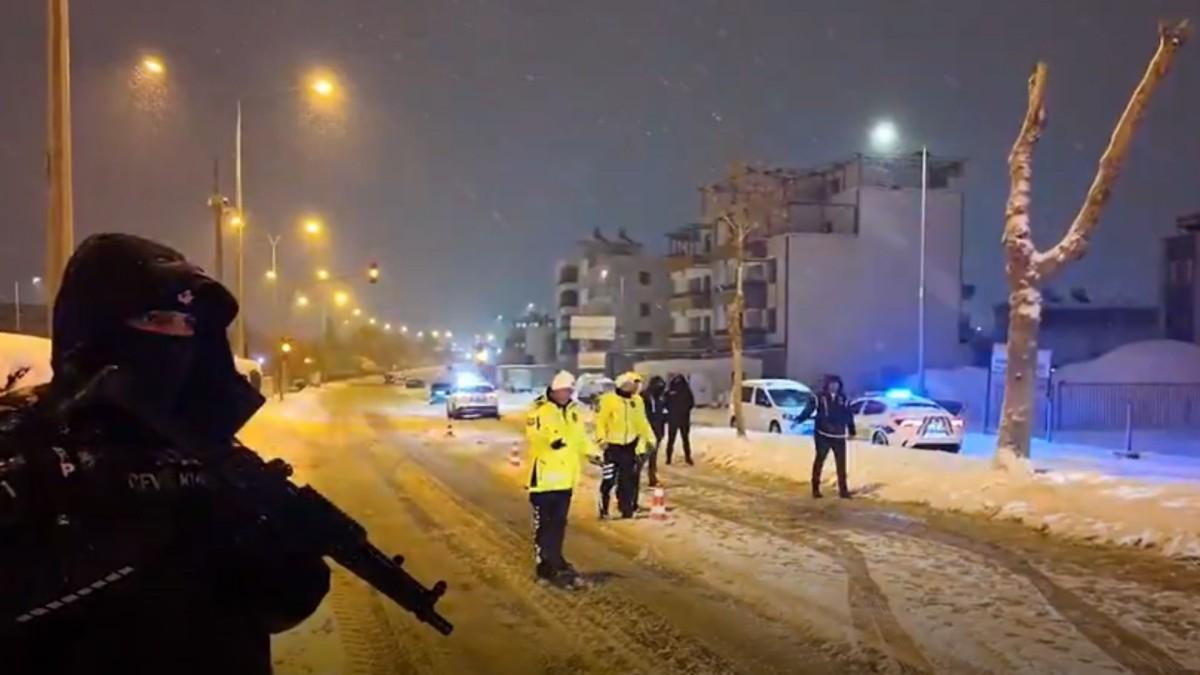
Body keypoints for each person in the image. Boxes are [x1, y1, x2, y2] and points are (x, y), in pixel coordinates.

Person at [0, 233, 330, 674]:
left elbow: (265, 614)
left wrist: (289, 563)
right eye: (158, 319)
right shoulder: (24, 438)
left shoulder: (206, 448)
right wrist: (140, 534)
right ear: (95, 326)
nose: (177, 339)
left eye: (187, 324)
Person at [525, 370, 594, 588]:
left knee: (559, 524)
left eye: (570, 391)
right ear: (555, 389)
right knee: (544, 525)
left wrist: (596, 453)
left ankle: (556, 558)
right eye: (564, 390)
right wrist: (551, 439)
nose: (567, 394)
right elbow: (534, 433)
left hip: (565, 479)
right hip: (544, 479)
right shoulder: (539, 409)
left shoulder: (573, 412)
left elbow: (580, 439)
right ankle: (544, 565)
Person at [595, 372, 654, 519]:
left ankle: (626, 508)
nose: (635, 388)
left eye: (637, 385)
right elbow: (600, 421)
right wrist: (601, 439)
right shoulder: (608, 400)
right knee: (609, 478)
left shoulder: (637, 401)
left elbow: (642, 422)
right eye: (633, 384)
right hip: (612, 446)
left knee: (627, 479)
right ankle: (604, 507)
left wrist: (650, 439)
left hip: (630, 446)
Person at [799, 374, 855, 499]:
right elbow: (809, 410)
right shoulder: (819, 397)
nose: (834, 387)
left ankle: (843, 490)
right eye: (831, 384)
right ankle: (815, 488)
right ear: (827, 385)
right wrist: (799, 419)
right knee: (820, 460)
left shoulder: (843, 398)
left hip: (839, 435)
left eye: (836, 384)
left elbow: (849, 415)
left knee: (841, 463)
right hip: (822, 434)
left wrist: (851, 430)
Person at [640, 375, 668, 487]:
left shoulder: (660, 398)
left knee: (653, 456)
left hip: (657, 430)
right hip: (645, 431)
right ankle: (633, 477)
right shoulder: (643, 397)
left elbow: (661, 413)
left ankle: (652, 477)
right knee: (642, 456)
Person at [665, 373, 695, 465]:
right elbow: (691, 403)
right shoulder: (686, 391)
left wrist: (672, 410)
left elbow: (665, 403)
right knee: (683, 439)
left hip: (675, 418)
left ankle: (669, 458)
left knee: (674, 439)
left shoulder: (671, 392)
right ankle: (686, 457)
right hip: (682, 418)